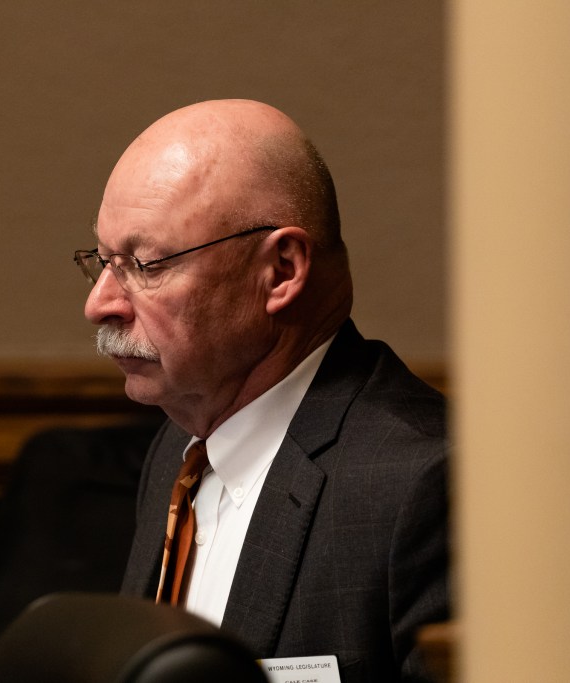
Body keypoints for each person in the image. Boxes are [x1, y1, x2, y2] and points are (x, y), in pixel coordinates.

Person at [73, 99, 450, 682]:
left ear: (281, 270)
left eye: (145, 265)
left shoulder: (427, 485)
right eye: (102, 261)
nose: (100, 304)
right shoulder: (179, 452)